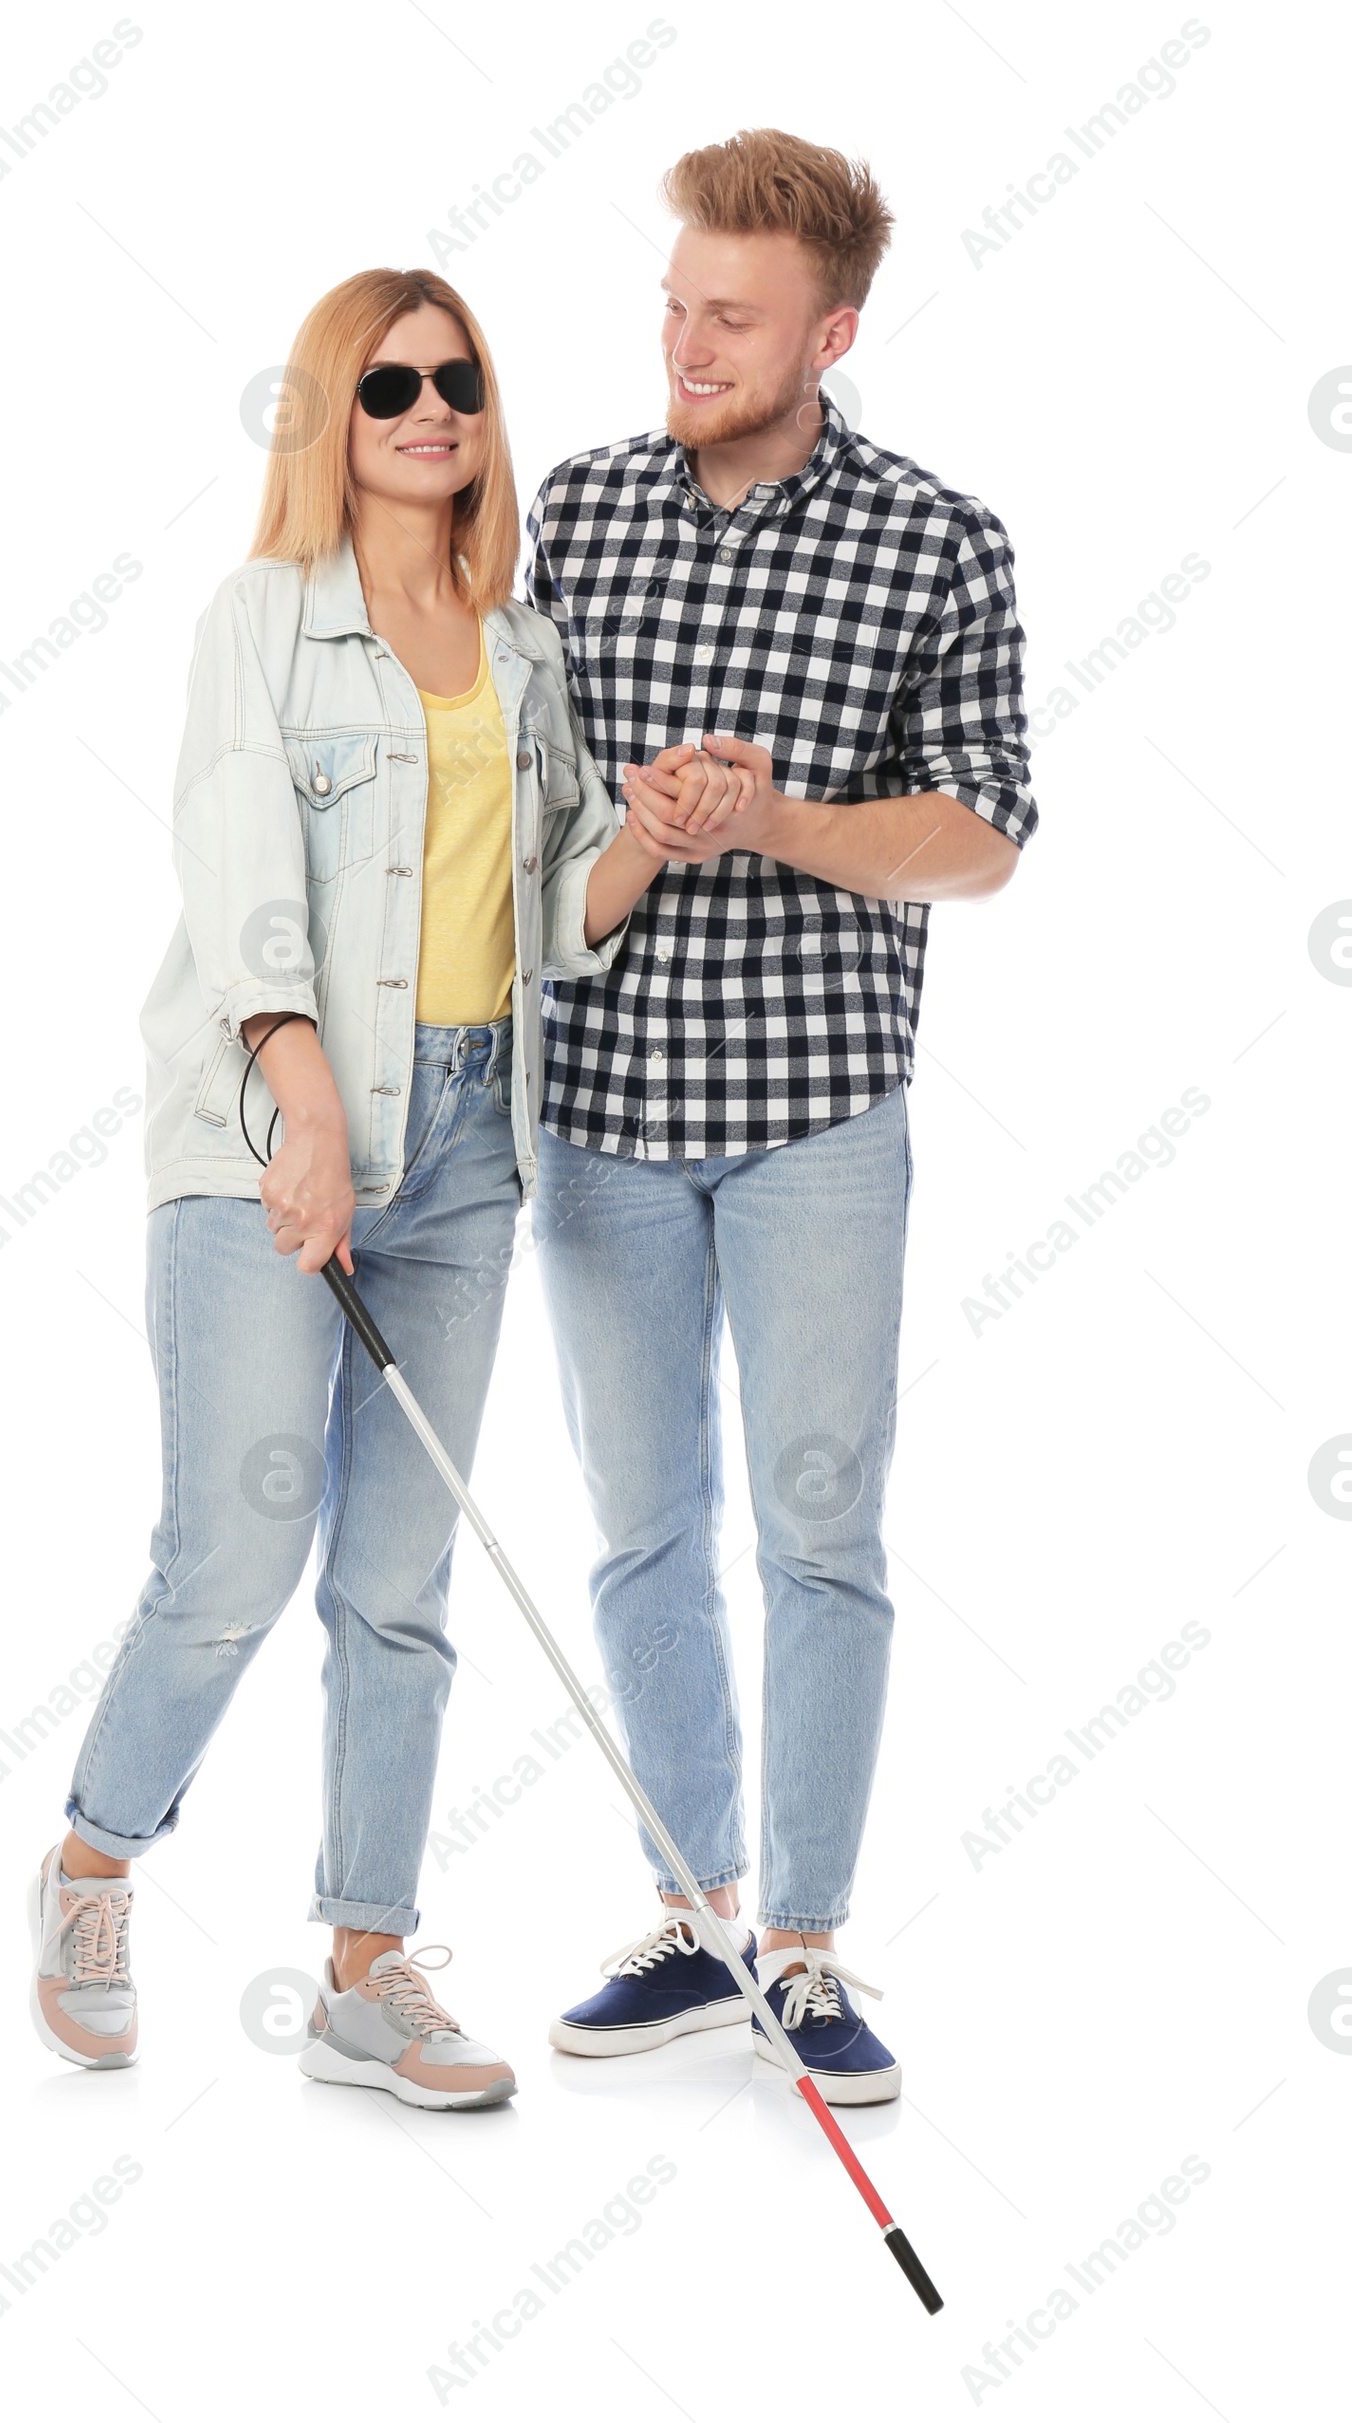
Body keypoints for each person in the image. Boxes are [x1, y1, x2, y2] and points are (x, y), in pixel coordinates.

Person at [26, 266, 744, 2108]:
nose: (435, 410)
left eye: (462, 382)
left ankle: (367, 1964)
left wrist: (642, 837)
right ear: (334, 415)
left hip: (475, 1143)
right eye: (392, 384)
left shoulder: (518, 643)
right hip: (273, 1132)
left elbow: (559, 912)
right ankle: (96, 1862)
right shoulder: (259, 620)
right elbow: (239, 866)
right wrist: (312, 1112)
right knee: (235, 1562)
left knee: (403, 1581)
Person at [527, 130, 1038, 2099]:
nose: (683, 343)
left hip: (820, 1114)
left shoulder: (934, 538)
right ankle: (690, 1910)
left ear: (828, 328)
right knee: (642, 1532)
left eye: (725, 318)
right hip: (601, 1114)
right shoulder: (573, 509)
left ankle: (805, 1953)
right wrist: (636, 833)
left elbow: (979, 835)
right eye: (670, 306)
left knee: (818, 1534)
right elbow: (517, 810)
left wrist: (775, 820)